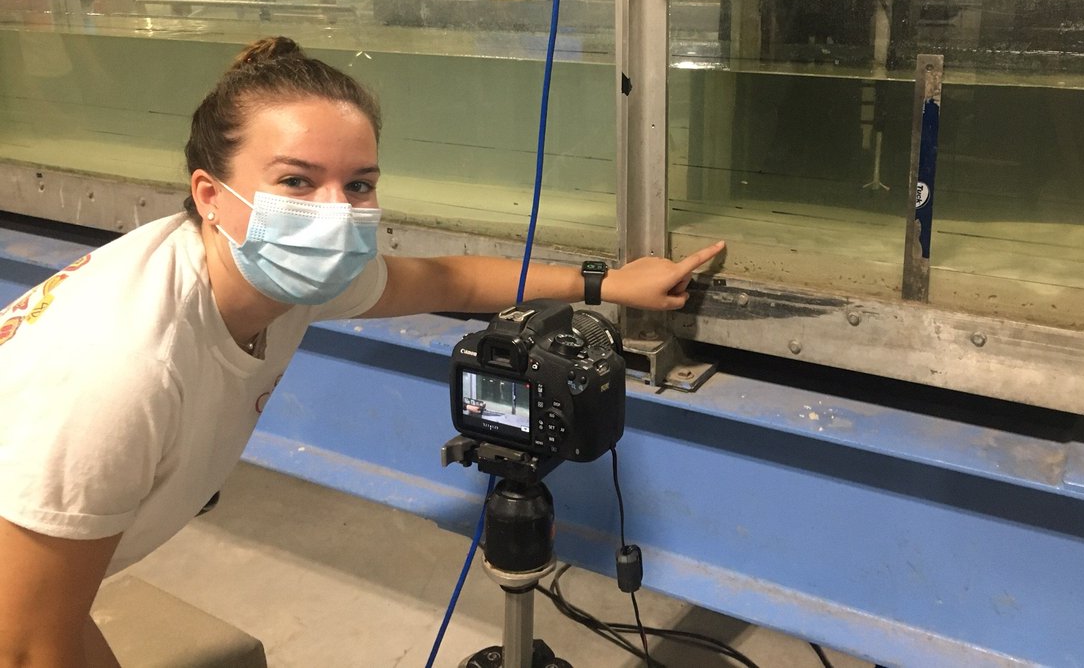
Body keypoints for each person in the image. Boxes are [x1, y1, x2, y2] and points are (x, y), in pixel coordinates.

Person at [0, 36, 725, 665]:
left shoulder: (273, 273)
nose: (334, 214)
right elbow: (24, 648)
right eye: (295, 181)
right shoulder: (123, 370)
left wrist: (606, 282)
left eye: (359, 185)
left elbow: (447, 277)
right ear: (210, 193)